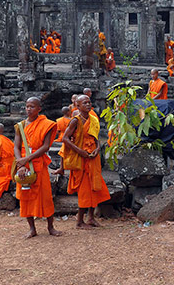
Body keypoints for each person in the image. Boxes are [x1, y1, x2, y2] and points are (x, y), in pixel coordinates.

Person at [13, 97, 61, 239]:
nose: (29, 109)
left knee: (46, 197)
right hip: (22, 163)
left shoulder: (46, 125)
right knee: (25, 197)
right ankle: (32, 229)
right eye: (27, 106)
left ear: (39, 109)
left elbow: (46, 146)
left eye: (32, 106)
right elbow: (16, 146)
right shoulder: (20, 126)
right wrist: (20, 163)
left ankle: (51, 227)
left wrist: (28, 158)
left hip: (38, 162)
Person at [61, 95, 110, 229]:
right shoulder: (75, 121)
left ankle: (91, 218)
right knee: (84, 190)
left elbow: (96, 138)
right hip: (81, 159)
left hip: (93, 157)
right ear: (78, 106)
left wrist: (98, 148)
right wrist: (80, 151)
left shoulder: (93, 119)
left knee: (94, 187)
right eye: (85, 103)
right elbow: (65, 138)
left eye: (89, 102)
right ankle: (79, 221)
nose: (88, 105)